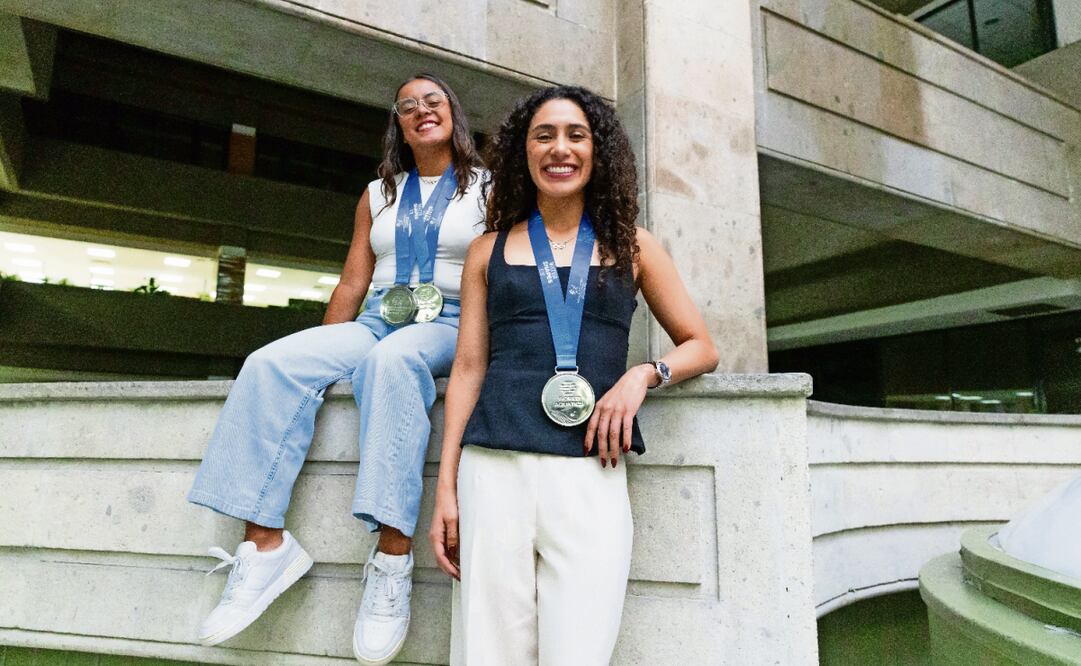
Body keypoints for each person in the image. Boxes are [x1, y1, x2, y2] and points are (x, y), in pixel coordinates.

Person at [187, 73, 486, 665]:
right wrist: (323, 355)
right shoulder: (378, 193)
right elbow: (353, 281)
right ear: (399, 126)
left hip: (451, 320)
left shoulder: (490, 189)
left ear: (454, 113)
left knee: (392, 361)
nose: (422, 110)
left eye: (433, 100)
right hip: (378, 315)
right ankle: (265, 546)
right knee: (270, 363)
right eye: (408, 106)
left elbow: (500, 272)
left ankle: (392, 558)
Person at [429, 86, 719, 665]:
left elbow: (702, 347)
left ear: (597, 151)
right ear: (524, 152)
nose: (559, 148)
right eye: (544, 135)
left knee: (580, 652)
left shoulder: (634, 247)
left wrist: (644, 375)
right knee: (487, 653)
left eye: (575, 135)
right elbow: (468, 369)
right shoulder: (486, 251)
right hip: (493, 469)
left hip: (592, 472)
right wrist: (446, 487)